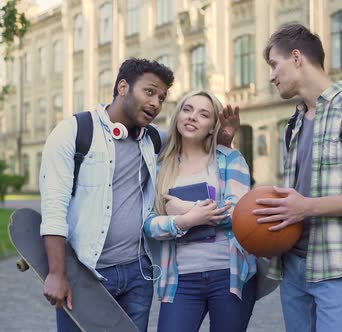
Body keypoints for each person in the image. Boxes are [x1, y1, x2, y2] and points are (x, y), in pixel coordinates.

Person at [38, 58, 240, 332]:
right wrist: (56, 272)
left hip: (138, 275)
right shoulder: (74, 133)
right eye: (149, 91)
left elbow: (196, 141)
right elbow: (54, 207)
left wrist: (224, 140)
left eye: (162, 97)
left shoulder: (154, 139)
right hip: (86, 274)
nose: (156, 103)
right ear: (123, 87)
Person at [255, 24, 342, 332]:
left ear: (296, 58)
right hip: (292, 264)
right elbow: (297, 196)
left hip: (338, 264)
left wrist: (306, 207)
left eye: (273, 64)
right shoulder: (293, 122)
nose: (271, 75)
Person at [144, 90, 257, 332]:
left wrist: (186, 209)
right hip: (180, 280)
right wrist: (184, 222)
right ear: (177, 117)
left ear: (212, 126)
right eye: (187, 109)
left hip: (229, 275)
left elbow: (238, 215)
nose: (193, 117)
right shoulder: (160, 167)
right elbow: (149, 224)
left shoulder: (230, 160)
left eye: (203, 114)